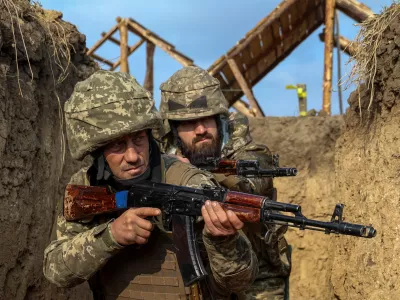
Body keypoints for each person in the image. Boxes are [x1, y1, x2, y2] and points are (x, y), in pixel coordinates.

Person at [43, 70, 258, 300]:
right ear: (96, 151)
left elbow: (240, 282)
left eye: (139, 140)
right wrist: (110, 236)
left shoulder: (190, 182)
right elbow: (55, 271)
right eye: (118, 146)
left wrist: (223, 241)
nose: (133, 155)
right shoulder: (87, 187)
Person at [158, 66, 291, 300]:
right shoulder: (163, 161)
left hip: (257, 280)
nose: (200, 130)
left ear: (219, 119)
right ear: (174, 129)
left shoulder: (250, 155)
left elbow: (248, 184)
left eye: (206, 119)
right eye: (189, 123)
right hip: (195, 280)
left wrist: (186, 174)